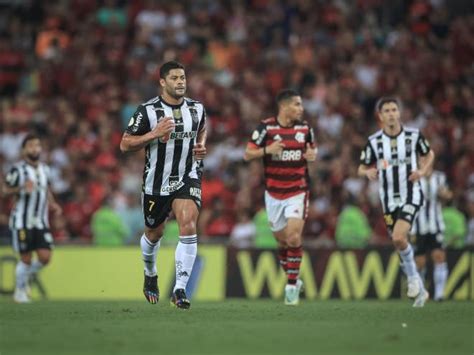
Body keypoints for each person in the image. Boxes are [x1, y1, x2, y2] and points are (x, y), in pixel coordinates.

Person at [119, 61, 207, 309]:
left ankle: (180, 289)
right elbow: (125, 144)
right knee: (154, 233)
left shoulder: (197, 108)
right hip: (156, 183)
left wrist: (200, 146)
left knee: (188, 222)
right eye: (175, 78)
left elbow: (202, 130)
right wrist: (153, 134)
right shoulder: (147, 111)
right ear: (163, 82)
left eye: (183, 77)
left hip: (187, 175)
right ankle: (150, 273)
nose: (181, 82)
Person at [358, 97, 435, 307]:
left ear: (399, 113)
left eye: (394, 110)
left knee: (400, 238)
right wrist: (368, 171)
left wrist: (422, 171)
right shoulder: (374, 141)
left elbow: (429, 154)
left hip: (412, 194)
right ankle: (420, 289)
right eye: (387, 111)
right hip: (389, 200)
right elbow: (361, 166)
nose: (391, 114)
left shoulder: (413, 135)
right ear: (380, 116)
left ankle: (412, 280)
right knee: (399, 242)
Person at [244, 89, 317, 306]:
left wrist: (313, 155)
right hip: (273, 194)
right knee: (282, 242)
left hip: (298, 190)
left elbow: (312, 151)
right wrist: (268, 149)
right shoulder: (266, 127)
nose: (301, 109)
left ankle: (291, 286)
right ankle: (294, 276)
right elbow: (248, 154)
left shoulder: (305, 129)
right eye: (297, 104)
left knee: (294, 238)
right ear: (284, 107)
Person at [1, 133, 62, 303]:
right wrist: (21, 188)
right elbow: (5, 191)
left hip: (41, 222)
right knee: (26, 259)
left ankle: (24, 280)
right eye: (31, 146)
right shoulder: (17, 170)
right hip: (22, 221)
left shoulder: (45, 169)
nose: (35, 148)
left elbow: (46, 189)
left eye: (37, 145)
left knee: (45, 258)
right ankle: (20, 292)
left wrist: (53, 203)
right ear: (24, 150)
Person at [411, 168, 452, 301]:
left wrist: (445, 194)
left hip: (436, 224)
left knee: (439, 256)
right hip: (419, 225)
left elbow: (449, 195)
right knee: (420, 262)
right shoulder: (413, 176)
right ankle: (422, 292)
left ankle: (440, 294)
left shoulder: (440, 176)